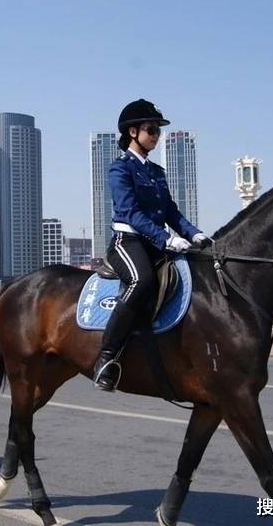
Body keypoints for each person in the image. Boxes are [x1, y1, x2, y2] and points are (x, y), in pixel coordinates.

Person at [93, 99, 209, 392]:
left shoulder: (157, 172)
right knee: (141, 281)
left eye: (158, 130)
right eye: (151, 129)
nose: (156, 135)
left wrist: (195, 235)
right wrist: (167, 238)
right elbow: (130, 212)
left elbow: (170, 210)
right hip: (128, 241)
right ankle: (106, 358)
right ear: (132, 132)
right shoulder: (119, 169)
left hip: (156, 243)